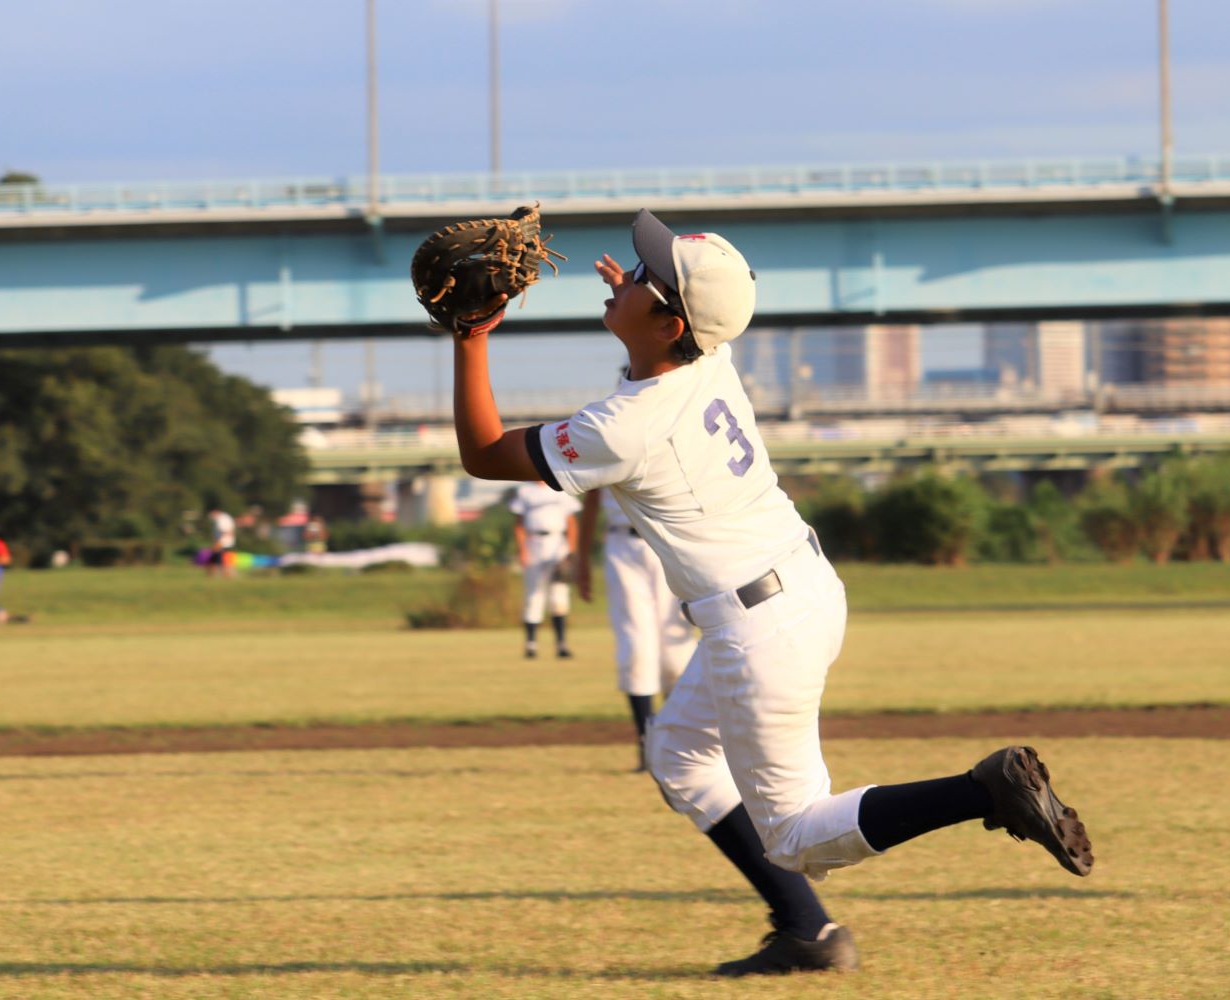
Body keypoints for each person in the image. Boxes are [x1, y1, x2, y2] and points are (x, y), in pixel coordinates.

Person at [448, 208, 1094, 976]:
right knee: (681, 756)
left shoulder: (626, 424)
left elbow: (486, 454)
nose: (628, 271)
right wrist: (638, 307)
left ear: (670, 322)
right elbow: (666, 350)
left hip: (759, 627)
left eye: (646, 276)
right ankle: (805, 931)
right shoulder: (707, 359)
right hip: (798, 587)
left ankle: (983, 792)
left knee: (796, 834)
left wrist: (471, 337)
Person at [575, 485, 697, 772]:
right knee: (636, 648)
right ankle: (647, 746)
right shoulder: (602, 439)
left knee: (676, 653)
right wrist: (582, 558)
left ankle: (680, 745)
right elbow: (592, 496)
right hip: (623, 545)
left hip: (670, 540)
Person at [507, 480, 580, 659]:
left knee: (559, 594)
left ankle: (561, 644)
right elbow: (519, 523)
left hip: (557, 543)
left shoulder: (560, 487)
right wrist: (522, 549)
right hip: (533, 543)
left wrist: (571, 551)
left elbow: (571, 522)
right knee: (534, 595)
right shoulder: (525, 491)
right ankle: (531, 644)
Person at [207, 504, 237, 579]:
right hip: (225, 542)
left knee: (219, 559)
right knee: (221, 559)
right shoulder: (224, 517)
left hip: (223, 542)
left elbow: (226, 531)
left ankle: (223, 574)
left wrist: (218, 542)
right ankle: (223, 574)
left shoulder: (222, 519)